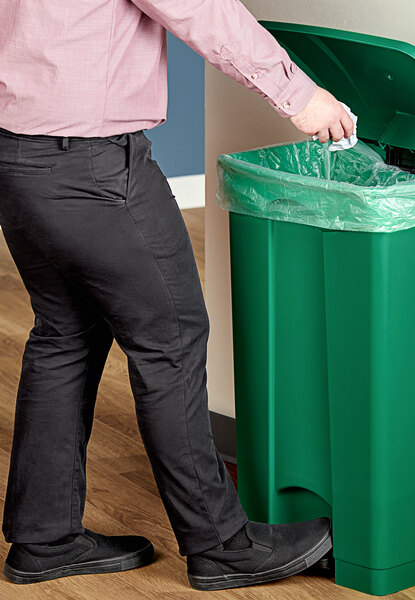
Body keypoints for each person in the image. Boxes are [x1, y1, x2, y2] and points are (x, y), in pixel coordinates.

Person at [0, 0, 354, 591]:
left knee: (65, 333)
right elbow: (199, 7)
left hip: (17, 152)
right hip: (93, 164)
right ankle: (221, 544)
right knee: (172, 337)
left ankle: (43, 538)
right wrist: (301, 96)